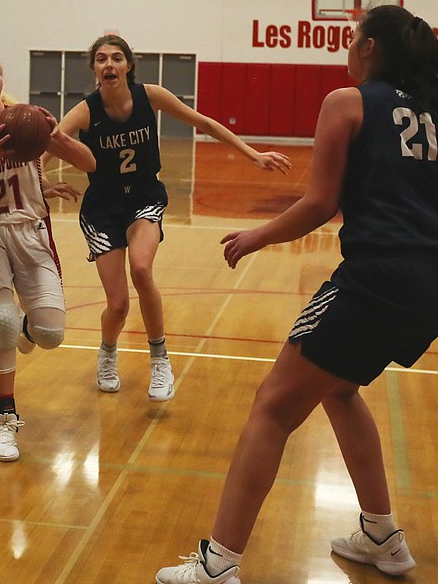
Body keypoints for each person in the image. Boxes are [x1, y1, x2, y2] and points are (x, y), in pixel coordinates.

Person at [154, 6, 438, 584]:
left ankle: (217, 569)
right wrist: (422, 237)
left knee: (272, 406)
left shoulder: (347, 101)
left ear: (368, 48)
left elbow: (319, 203)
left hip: (375, 278)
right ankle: (381, 537)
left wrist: (256, 236)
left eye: (352, 37)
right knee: (338, 389)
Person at [54, 35, 291, 402]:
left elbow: (204, 122)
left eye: (117, 58)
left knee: (142, 270)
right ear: (94, 69)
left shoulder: (151, 95)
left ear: (128, 65)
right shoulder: (87, 110)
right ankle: (107, 352)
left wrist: (252, 154)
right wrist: (39, 185)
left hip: (144, 198)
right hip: (102, 209)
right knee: (118, 305)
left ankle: (160, 359)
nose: (109, 64)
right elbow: (51, 140)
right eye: (101, 59)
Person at [0, 54, 97, 463]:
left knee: (50, 335)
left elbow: (90, 163)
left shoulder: (27, 122)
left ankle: (28, 329)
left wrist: (56, 139)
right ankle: (4, 417)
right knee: (4, 322)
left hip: (32, 232)